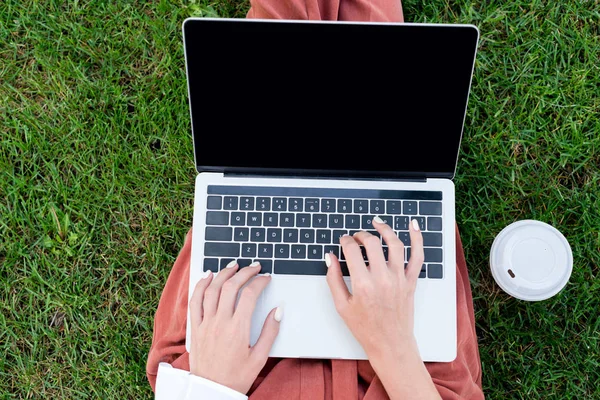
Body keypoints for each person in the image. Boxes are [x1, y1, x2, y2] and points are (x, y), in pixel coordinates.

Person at [146, 1, 485, 399]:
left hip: (238, 374)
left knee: (268, 68)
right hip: (403, 375)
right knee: (386, 78)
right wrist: (392, 345)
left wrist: (212, 388)